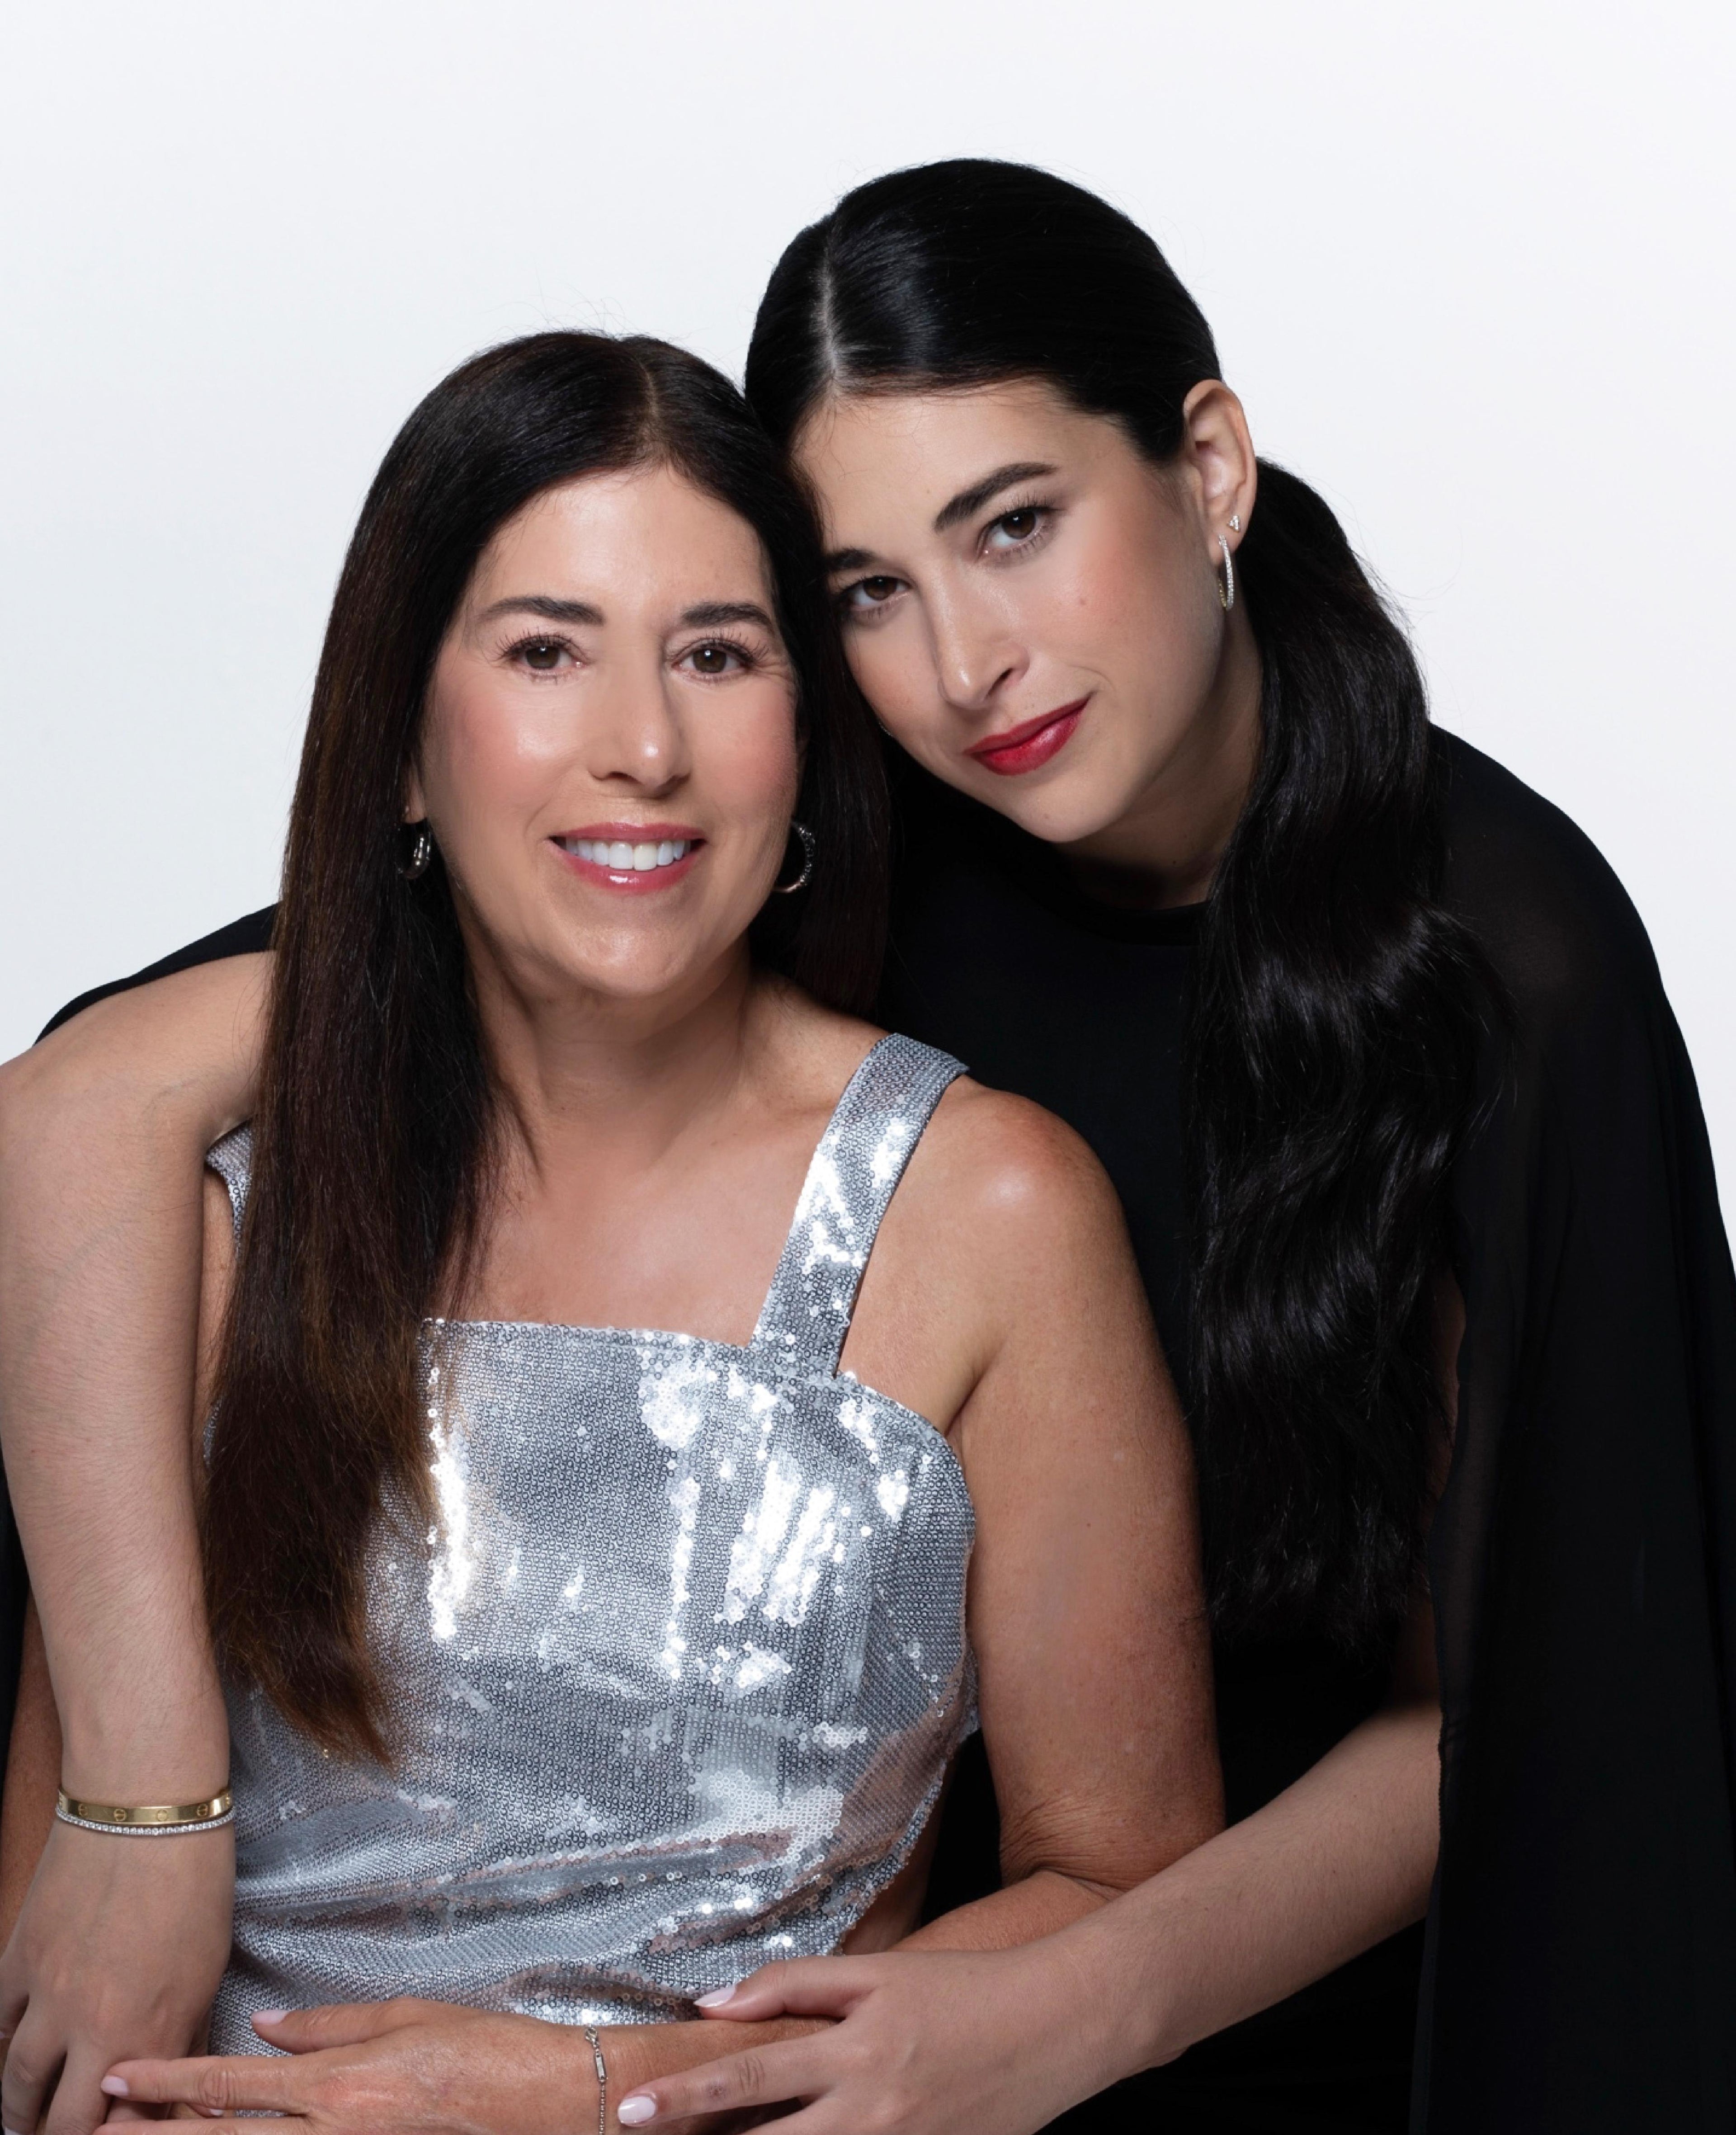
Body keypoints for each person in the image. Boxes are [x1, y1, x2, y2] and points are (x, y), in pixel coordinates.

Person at [5, 157, 1736, 2131]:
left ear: (1210, 470)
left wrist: (1057, 2003)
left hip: (1206, 2004)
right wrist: (140, 1802)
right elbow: (103, 1091)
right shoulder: (806, 838)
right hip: (859, 1991)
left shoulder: (1497, 961)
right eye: (867, 594)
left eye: (1016, 526)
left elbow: (1528, 1685)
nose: (968, 665)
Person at [0, 324, 1221, 2128]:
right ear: (405, 747)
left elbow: (1119, 1885)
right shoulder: (206, 1222)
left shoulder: (990, 1214)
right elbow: (66, 1965)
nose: (644, 745)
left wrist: (606, 2092)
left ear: (803, 733)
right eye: (545, 650)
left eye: (717, 654)